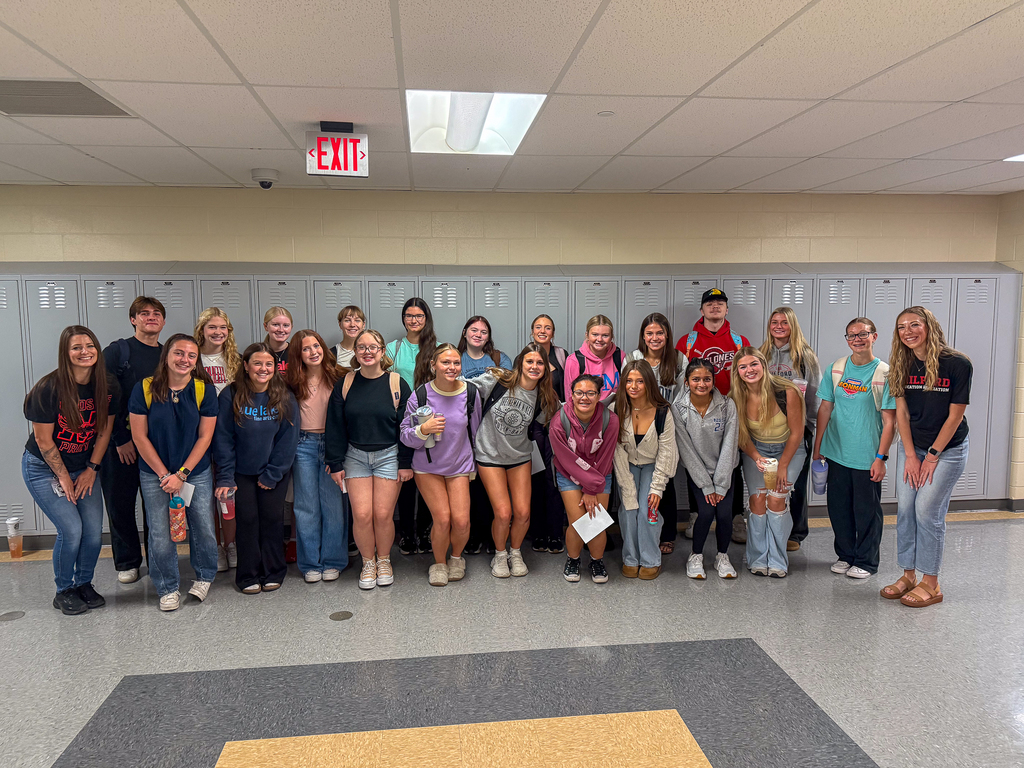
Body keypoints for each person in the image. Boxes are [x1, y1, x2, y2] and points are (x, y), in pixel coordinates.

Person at [22, 326, 118, 615]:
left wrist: (91, 469)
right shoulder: (48, 388)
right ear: (66, 353)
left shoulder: (108, 385)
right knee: (72, 529)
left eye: (90, 345)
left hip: (85, 467)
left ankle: (84, 584)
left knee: (92, 532)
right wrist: (64, 477)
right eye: (76, 347)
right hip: (44, 469)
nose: (84, 351)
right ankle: (64, 589)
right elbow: (43, 439)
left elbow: (105, 431)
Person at [880, 307, 971, 608]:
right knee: (905, 509)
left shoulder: (957, 364)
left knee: (927, 511)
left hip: (947, 450)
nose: (908, 331)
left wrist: (932, 456)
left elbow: (956, 415)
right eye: (902, 327)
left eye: (914, 325)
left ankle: (930, 582)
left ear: (929, 327)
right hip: (914, 448)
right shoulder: (901, 365)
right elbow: (902, 413)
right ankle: (908, 575)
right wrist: (909, 454)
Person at [128, 334, 218, 611]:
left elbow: (205, 437)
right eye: (179, 353)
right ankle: (167, 587)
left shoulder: (204, 389)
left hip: (195, 471)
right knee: (159, 532)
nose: (185, 360)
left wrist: (181, 474)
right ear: (166, 356)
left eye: (191, 356)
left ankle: (204, 576)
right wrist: (164, 474)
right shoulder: (144, 388)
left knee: (202, 526)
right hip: (155, 473)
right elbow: (139, 437)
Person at [325, 330, 413, 590]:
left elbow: (407, 427)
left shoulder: (397, 383)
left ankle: (384, 560)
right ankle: (368, 562)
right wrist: (336, 462)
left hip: (389, 455)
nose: (367, 351)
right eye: (361, 347)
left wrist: (406, 462)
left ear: (382, 351)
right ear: (355, 352)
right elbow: (335, 425)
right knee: (362, 515)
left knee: (383, 514)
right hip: (355, 456)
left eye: (372, 347)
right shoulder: (346, 383)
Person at [814, 318, 896, 580]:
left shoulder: (884, 373)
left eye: (863, 334)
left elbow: (889, 420)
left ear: (875, 336)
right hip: (836, 452)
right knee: (839, 509)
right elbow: (825, 408)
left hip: (866, 454)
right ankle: (845, 555)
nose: (857, 339)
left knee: (867, 511)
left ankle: (866, 561)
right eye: (851, 335)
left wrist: (880, 457)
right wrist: (818, 448)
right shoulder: (837, 368)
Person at [468, 342, 559, 578]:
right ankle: (500, 555)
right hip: (489, 455)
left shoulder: (544, 395)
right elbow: (462, 388)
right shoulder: (497, 382)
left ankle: (515, 552)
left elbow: (555, 421)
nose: (535, 366)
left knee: (522, 513)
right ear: (520, 363)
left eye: (540, 363)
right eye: (530, 361)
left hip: (520, 456)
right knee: (503, 513)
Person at [214, 343, 299, 594]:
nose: (263, 369)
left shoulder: (284, 395)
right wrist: (226, 476)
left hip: (273, 472)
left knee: (272, 520)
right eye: (258, 363)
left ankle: (273, 571)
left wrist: (273, 473)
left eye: (268, 364)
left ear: (275, 368)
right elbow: (223, 438)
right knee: (247, 521)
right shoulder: (230, 394)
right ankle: (248, 574)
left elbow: (288, 439)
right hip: (241, 473)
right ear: (246, 366)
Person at [399, 344, 481, 586]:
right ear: (433, 365)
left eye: (456, 363)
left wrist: (476, 465)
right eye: (445, 362)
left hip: (459, 465)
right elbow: (405, 434)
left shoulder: (471, 393)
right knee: (442, 519)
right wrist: (423, 429)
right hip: (428, 467)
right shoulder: (420, 395)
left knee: (462, 521)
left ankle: (456, 558)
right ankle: (439, 563)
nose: (452, 367)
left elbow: (475, 433)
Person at [676, 288, 751, 546]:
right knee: (693, 460)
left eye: (720, 303)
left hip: (731, 410)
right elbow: (679, 381)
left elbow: (750, 375)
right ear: (702, 310)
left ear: (727, 309)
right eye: (710, 303)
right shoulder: (687, 341)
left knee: (733, 462)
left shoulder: (740, 341)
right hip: (696, 411)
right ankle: (698, 513)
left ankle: (736, 517)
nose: (715, 307)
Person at [100, 296, 166, 585]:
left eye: (156, 314)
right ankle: (127, 562)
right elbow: (103, 398)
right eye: (144, 313)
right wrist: (120, 439)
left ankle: (158, 559)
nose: (151, 317)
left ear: (163, 322)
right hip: (122, 445)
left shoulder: (168, 355)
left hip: (157, 445)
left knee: (156, 507)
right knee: (120, 503)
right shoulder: (118, 351)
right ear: (133, 319)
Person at [730, 347, 805, 578]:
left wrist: (782, 465)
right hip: (757, 450)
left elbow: (797, 433)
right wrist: (756, 457)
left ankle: (778, 560)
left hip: (789, 450)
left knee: (776, 499)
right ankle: (757, 559)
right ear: (737, 372)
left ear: (763, 365)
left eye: (753, 364)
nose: (749, 370)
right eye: (743, 367)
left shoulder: (787, 390)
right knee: (758, 501)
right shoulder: (736, 396)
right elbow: (742, 436)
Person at [285, 330, 347, 584]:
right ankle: (310, 562)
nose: (313, 352)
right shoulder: (290, 381)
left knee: (333, 507)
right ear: (298, 355)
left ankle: (333, 561)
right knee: (306, 506)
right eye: (306, 348)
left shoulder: (339, 376)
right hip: (304, 444)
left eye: (317, 346)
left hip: (332, 444)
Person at [760, 307, 821, 553]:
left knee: (793, 482)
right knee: (769, 481)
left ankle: (796, 531)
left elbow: (814, 391)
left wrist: (811, 428)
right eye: (774, 322)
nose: (778, 326)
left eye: (784, 322)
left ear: (792, 325)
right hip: (766, 429)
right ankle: (770, 526)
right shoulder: (762, 352)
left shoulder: (804, 355)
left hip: (798, 427)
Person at [623, 312, 684, 557]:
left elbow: (684, 393)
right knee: (638, 490)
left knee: (664, 485)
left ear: (667, 334)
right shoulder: (634, 358)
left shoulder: (678, 358)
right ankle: (637, 538)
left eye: (659, 333)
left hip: (665, 424)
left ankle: (666, 535)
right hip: (639, 427)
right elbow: (625, 388)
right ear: (643, 336)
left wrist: (665, 416)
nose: (655, 337)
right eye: (650, 333)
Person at [673, 358, 739, 580]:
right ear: (687, 382)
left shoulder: (727, 405)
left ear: (713, 380)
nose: (701, 384)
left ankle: (722, 556)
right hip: (698, 472)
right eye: (696, 379)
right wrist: (706, 484)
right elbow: (686, 450)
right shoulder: (678, 409)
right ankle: (696, 555)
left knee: (724, 515)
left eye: (706, 379)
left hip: (725, 471)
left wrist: (720, 483)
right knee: (706, 512)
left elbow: (730, 445)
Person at [550, 373, 619, 583]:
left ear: (599, 396)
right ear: (571, 395)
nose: (584, 398)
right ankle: (573, 558)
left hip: (599, 475)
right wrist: (586, 485)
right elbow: (566, 459)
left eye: (590, 393)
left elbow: (606, 458)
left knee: (596, 521)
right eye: (579, 393)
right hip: (568, 474)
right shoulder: (559, 422)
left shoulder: (610, 420)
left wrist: (591, 489)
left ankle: (597, 560)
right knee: (579, 520)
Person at [612, 360, 677, 580]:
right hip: (626, 466)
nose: (633, 386)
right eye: (629, 381)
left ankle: (650, 559)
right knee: (629, 510)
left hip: (652, 466)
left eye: (640, 381)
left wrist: (657, 488)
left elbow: (667, 452)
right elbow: (617, 451)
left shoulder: (663, 412)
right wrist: (627, 486)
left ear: (649, 382)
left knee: (648, 510)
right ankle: (631, 558)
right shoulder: (617, 408)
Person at [386, 298, 436, 556]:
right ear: (403, 318)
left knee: (429, 478)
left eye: (419, 315)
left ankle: (426, 532)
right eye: (409, 315)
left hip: (430, 422)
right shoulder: (393, 348)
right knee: (406, 478)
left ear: (426, 318)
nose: (414, 320)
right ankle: (406, 532)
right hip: (402, 422)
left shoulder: (436, 348)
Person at [195, 307, 241, 573]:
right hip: (200, 435)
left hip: (231, 435)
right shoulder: (192, 358)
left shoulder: (236, 359)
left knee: (228, 494)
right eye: (212, 327)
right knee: (205, 496)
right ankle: (214, 546)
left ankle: (231, 543)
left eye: (223, 327)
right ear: (202, 330)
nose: (218, 332)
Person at [527, 314, 568, 555]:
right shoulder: (527, 356)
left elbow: (570, 390)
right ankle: (537, 532)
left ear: (553, 332)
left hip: (556, 426)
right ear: (532, 331)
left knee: (555, 479)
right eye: (538, 327)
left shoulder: (562, 356)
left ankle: (555, 532)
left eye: (548, 327)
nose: (543, 331)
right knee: (535, 479)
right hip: (532, 428)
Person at [562, 314, 622, 402]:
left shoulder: (619, 356)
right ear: (587, 335)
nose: (600, 339)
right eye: (595, 334)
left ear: (611, 337)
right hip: (586, 413)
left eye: (605, 335)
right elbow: (570, 397)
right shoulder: (574, 361)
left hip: (613, 412)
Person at [333, 305, 365, 370]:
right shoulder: (332, 354)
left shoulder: (372, 351)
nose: (352, 325)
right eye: (347, 320)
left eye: (357, 320)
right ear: (340, 324)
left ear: (363, 325)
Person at [263, 306, 293, 374]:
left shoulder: (297, 352)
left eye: (286, 325)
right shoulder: (258, 353)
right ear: (266, 326)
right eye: (276, 325)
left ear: (291, 327)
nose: (281, 330)